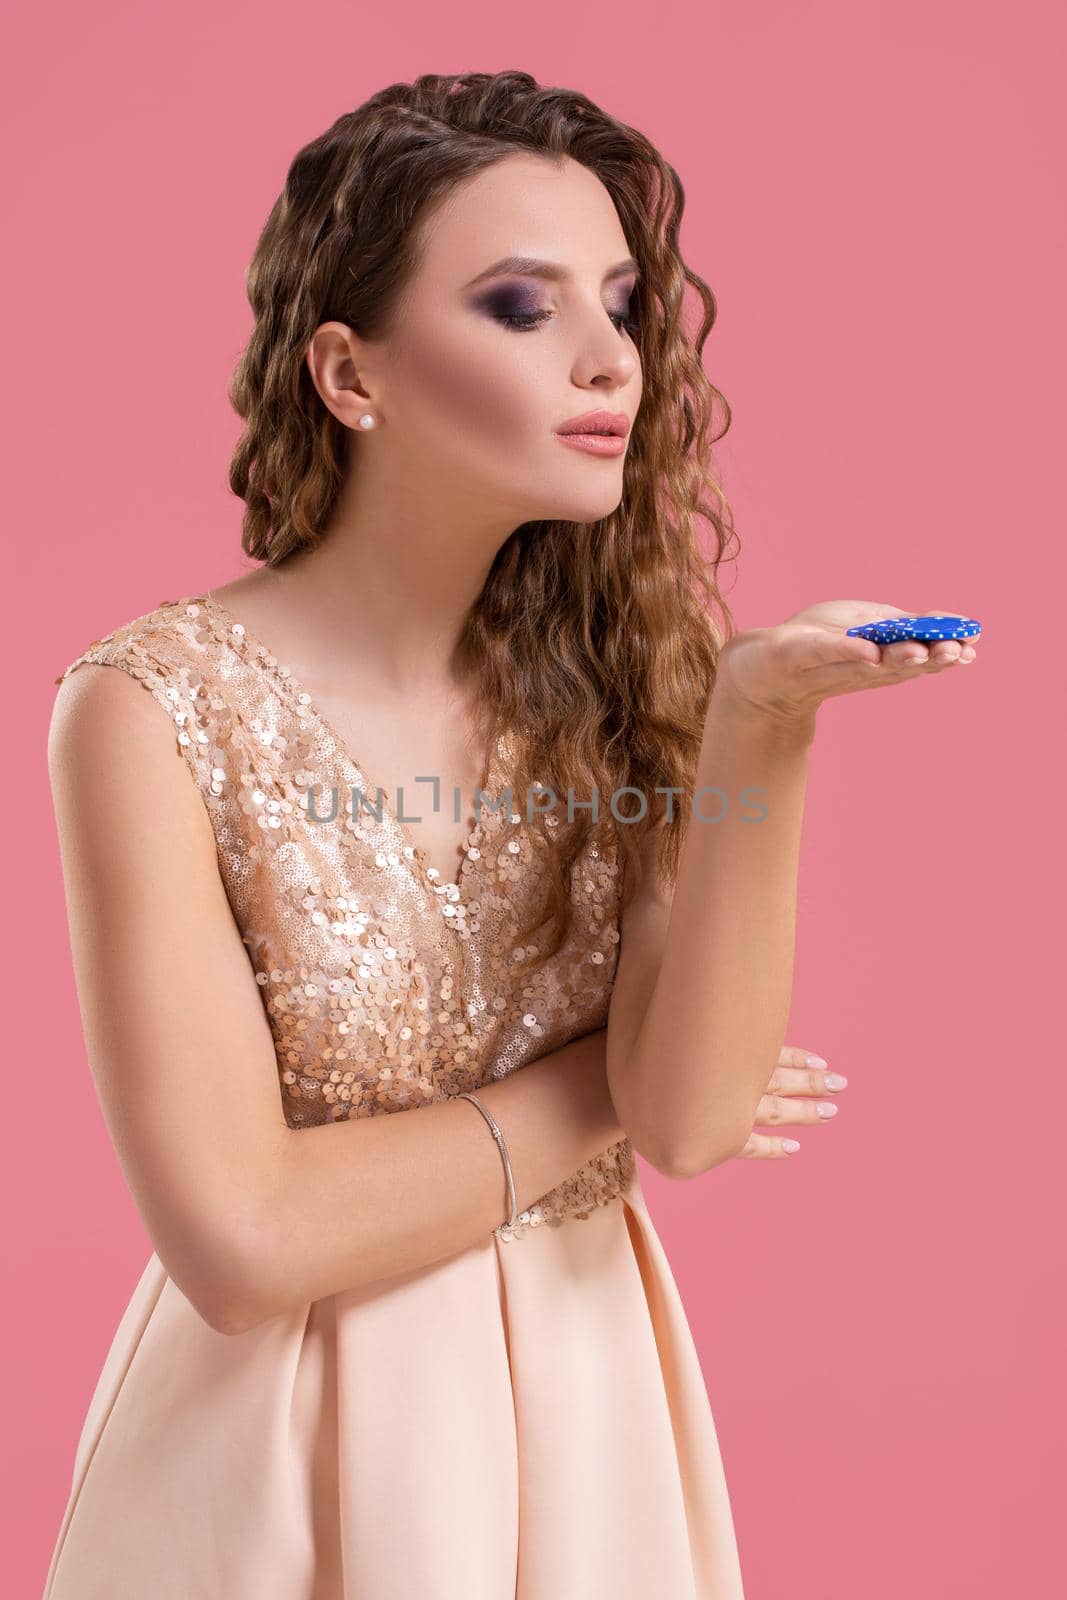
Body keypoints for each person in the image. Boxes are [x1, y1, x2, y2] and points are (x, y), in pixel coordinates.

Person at [43, 69, 976, 1600]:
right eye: (522, 307)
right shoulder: (148, 711)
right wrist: (598, 1084)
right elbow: (243, 1244)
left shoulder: (634, 678)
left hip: (587, 1403)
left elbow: (687, 1120)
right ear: (351, 374)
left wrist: (764, 720)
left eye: (621, 302)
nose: (613, 358)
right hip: (271, 1451)